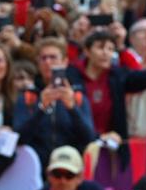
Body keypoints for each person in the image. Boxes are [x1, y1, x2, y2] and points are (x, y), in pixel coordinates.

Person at [14, 36, 96, 168]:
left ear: (64, 62)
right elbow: (19, 138)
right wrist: (41, 108)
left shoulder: (78, 97)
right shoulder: (27, 97)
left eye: (53, 57)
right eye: (43, 58)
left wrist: (72, 108)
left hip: (69, 169)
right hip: (34, 168)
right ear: (38, 63)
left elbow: (89, 138)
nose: (48, 62)